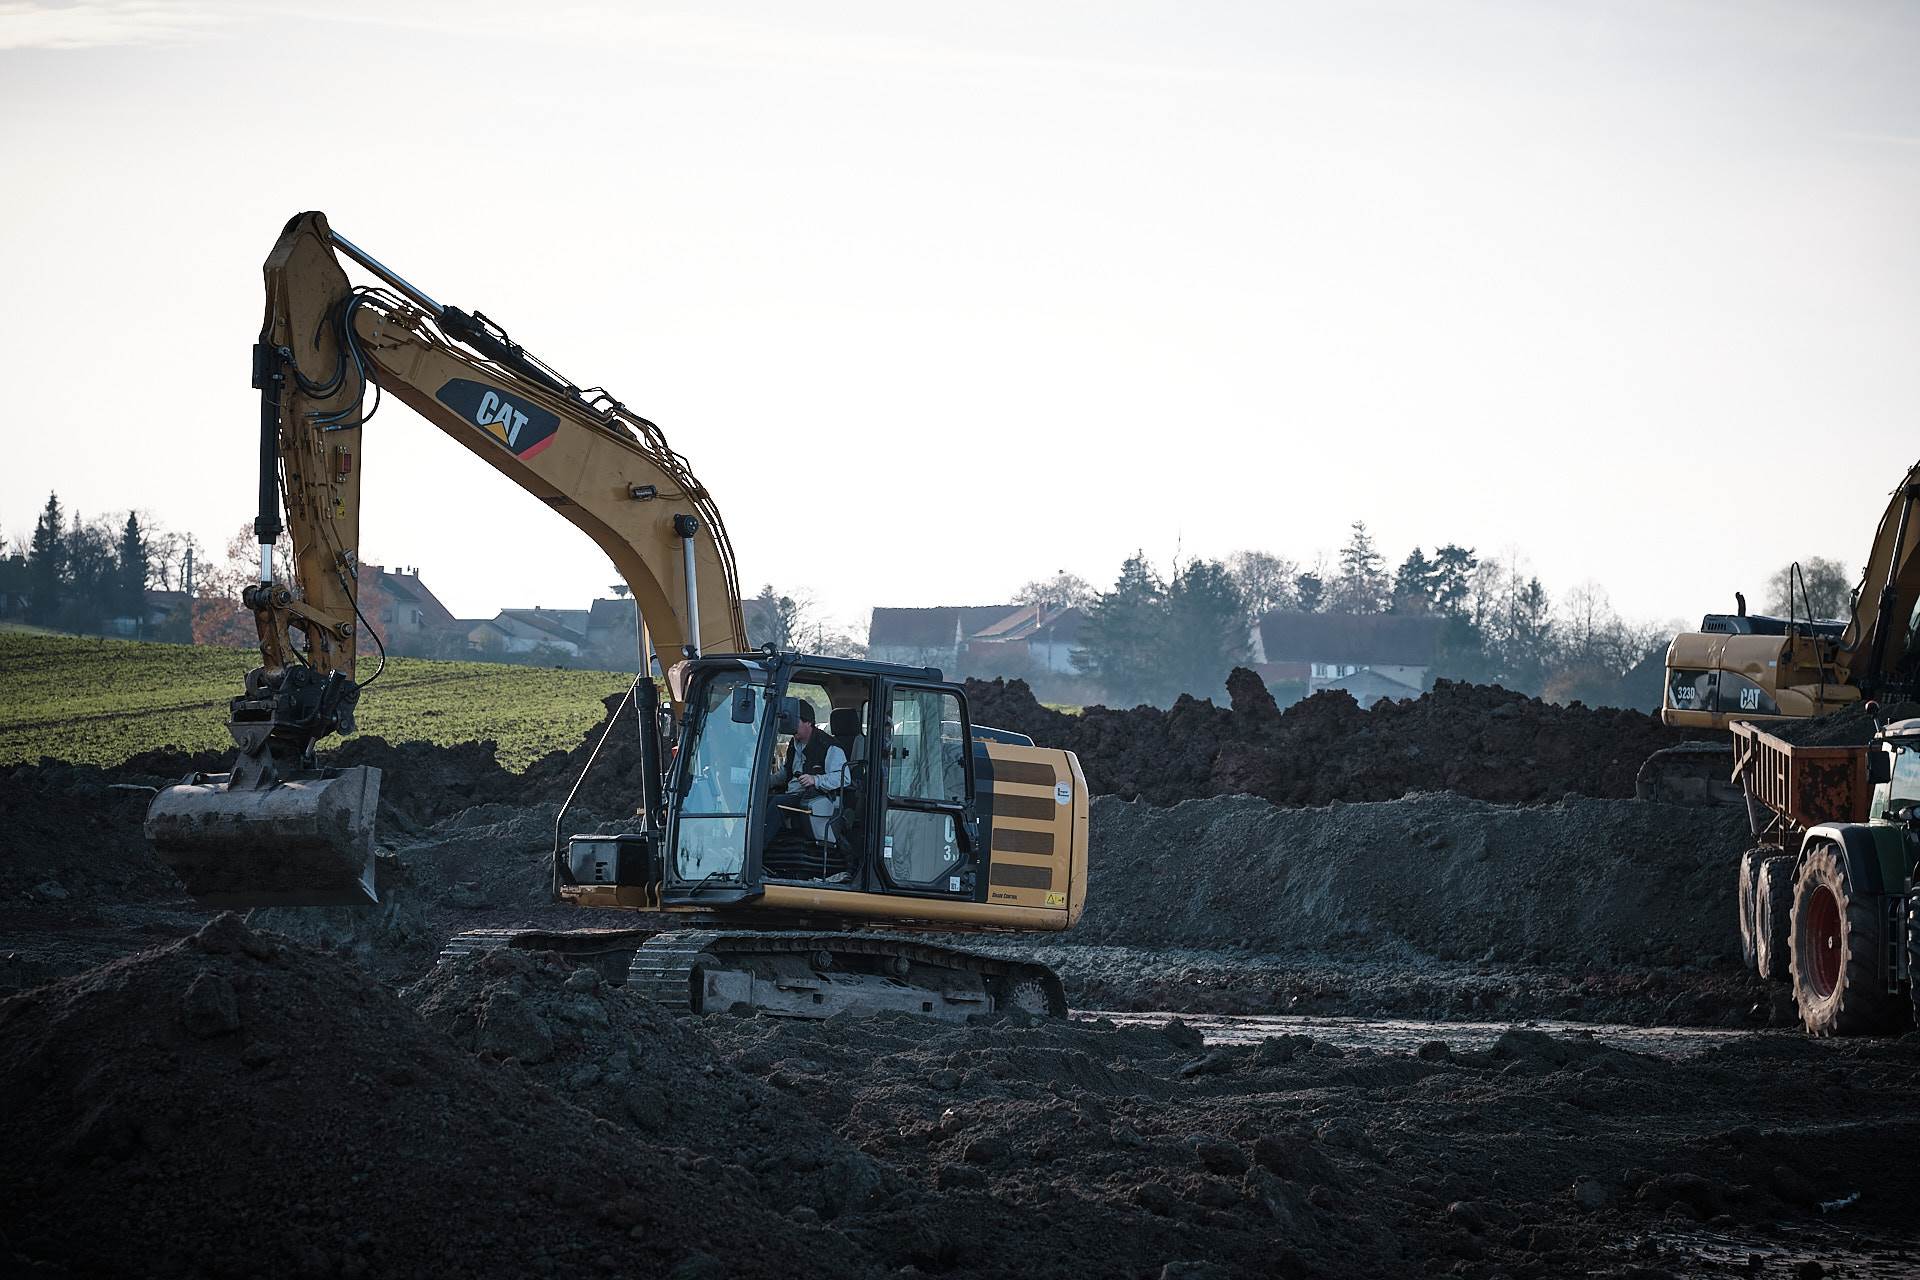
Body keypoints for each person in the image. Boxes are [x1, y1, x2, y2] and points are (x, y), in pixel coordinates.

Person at [764, 699, 846, 848]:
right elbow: (786, 773)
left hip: (814, 796)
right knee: (763, 800)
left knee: (778, 804)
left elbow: (844, 778)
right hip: (794, 793)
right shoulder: (794, 743)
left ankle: (756, 849)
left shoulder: (828, 746)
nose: (790, 727)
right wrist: (764, 782)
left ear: (808, 722)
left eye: (795, 722)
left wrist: (815, 779)